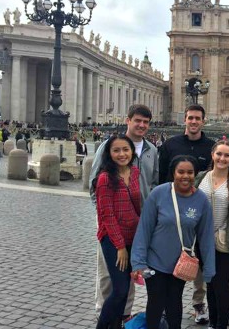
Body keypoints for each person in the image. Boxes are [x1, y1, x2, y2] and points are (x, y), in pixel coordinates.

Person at [90, 104, 159, 320]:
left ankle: (124, 313)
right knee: (109, 273)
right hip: (109, 220)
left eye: (145, 122)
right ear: (128, 120)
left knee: (130, 270)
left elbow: (154, 183)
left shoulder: (152, 150)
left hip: (138, 223)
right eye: (137, 120)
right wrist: (103, 214)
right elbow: (94, 185)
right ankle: (105, 311)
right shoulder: (108, 146)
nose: (141, 125)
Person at [131, 155, 215, 329]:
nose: (185, 176)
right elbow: (144, 230)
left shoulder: (201, 201)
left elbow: (206, 237)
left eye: (190, 172)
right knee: (155, 302)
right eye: (181, 172)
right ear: (173, 173)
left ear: (195, 174)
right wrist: (138, 262)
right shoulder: (158, 194)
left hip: (180, 264)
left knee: (174, 302)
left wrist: (209, 268)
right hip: (155, 262)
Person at [158, 104, 215, 324]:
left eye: (197, 118)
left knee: (197, 260)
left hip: (199, 212)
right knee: (168, 258)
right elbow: (162, 177)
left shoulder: (211, 147)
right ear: (185, 120)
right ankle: (165, 305)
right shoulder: (170, 145)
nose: (193, 122)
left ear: (203, 120)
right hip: (172, 212)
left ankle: (199, 304)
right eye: (190, 118)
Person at [194, 141, 229, 329]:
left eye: (227, 155)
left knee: (221, 285)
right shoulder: (201, 177)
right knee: (210, 283)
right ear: (212, 154)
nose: (222, 158)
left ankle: (221, 325)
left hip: (225, 241)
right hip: (202, 241)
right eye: (219, 154)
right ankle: (213, 322)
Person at [94, 135, 142, 329]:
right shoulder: (105, 178)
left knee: (125, 289)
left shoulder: (135, 172)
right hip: (114, 239)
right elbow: (107, 215)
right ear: (109, 153)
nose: (122, 154)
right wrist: (120, 246)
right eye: (116, 150)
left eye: (125, 149)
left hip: (134, 237)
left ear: (132, 151)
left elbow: (138, 204)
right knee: (120, 289)